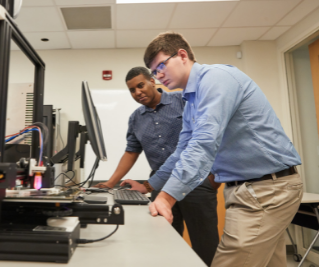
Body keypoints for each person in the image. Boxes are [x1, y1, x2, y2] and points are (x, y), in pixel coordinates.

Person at [124, 32, 303, 267]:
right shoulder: (191, 101)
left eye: (160, 67)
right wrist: (152, 187)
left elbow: (204, 143)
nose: (158, 77)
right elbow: (181, 153)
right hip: (250, 190)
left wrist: (166, 198)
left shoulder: (216, 79)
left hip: (266, 190)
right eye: (154, 72)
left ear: (182, 55)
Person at [95, 66, 219, 266]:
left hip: (194, 181)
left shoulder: (182, 100)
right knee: (164, 243)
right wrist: (111, 182)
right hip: (159, 185)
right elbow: (131, 152)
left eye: (140, 85)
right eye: (132, 90)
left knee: (205, 244)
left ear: (153, 81)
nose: (137, 92)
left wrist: (214, 176)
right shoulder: (136, 118)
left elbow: (209, 134)